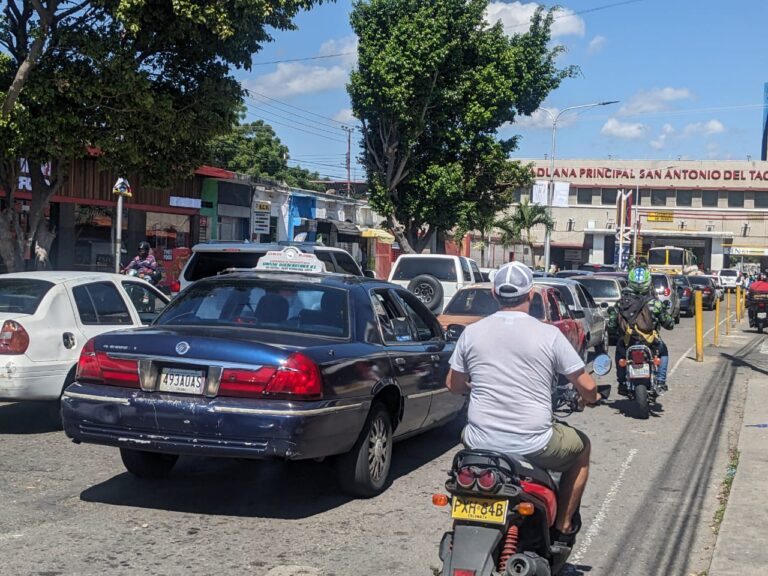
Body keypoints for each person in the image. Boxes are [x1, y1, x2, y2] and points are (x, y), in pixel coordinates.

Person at [445, 262, 600, 546]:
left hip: (479, 442)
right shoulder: (549, 334)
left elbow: (453, 385)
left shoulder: (472, 332)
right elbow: (587, 387)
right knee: (582, 448)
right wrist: (591, 398)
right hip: (534, 442)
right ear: (531, 294)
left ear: (494, 293)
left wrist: (475, 386)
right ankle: (564, 524)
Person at [607, 266, 674, 395]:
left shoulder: (621, 303)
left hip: (627, 342)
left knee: (620, 355)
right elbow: (669, 324)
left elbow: (611, 325)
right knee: (663, 352)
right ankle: (660, 381)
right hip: (650, 342)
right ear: (648, 283)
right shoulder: (655, 304)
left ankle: (622, 383)